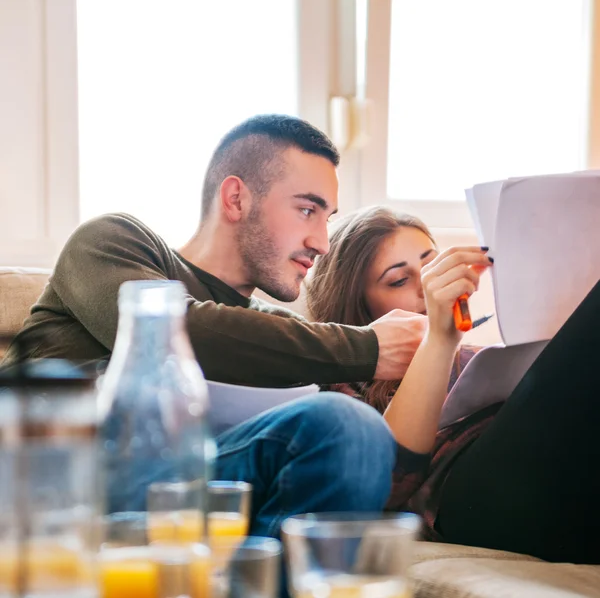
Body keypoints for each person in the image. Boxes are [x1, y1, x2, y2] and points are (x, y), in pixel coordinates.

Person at [2, 115, 428, 537]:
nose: (321, 243)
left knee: (350, 428)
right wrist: (366, 349)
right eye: (306, 210)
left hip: (196, 489)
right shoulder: (114, 242)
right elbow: (173, 331)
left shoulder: (280, 331)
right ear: (236, 198)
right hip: (62, 482)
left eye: (327, 219)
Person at [306, 205, 600, 564]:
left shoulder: (484, 357)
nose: (427, 289)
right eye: (399, 280)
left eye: (432, 268)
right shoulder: (344, 386)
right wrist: (438, 339)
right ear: (357, 304)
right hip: (468, 501)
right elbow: (386, 483)